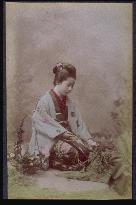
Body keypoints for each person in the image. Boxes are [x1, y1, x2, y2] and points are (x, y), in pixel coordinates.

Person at [28, 62, 131, 195]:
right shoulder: (45, 100)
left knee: (88, 150)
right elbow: (38, 121)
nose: (70, 89)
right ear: (58, 81)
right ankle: (53, 160)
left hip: (68, 137)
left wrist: (88, 140)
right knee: (73, 152)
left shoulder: (69, 103)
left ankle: (63, 161)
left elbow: (79, 124)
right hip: (49, 140)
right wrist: (61, 133)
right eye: (68, 85)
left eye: (72, 86)